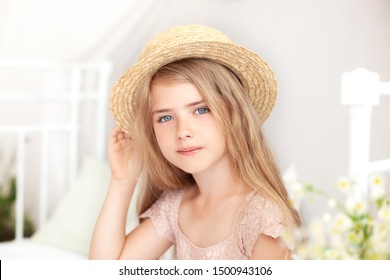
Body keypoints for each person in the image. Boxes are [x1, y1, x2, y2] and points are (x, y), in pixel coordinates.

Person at [89, 24, 301, 260]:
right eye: (166, 117)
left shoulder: (263, 217)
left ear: (234, 114)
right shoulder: (176, 206)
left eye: (201, 110)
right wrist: (122, 181)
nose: (183, 131)